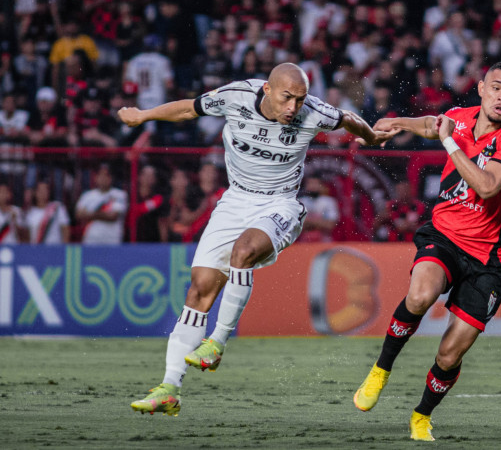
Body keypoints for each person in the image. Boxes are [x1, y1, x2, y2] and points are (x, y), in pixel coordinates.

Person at [120, 63, 392, 416]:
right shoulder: (235, 96)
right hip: (235, 201)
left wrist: (370, 137)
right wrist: (142, 115)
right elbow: (188, 108)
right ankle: (170, 387)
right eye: (286, 98)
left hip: (281, 204)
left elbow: (348, 119)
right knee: (200, 286)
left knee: (244, 251)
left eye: (300, 99)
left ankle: (216, 342)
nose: (293, 107)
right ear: (267, 89)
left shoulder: (313, 113)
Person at [353, 62, 501, 441]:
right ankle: (381, 369)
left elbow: (485, 186)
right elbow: (434, 124)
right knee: (420, 295)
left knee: (450, 355)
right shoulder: (458, 118)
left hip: (491, 260)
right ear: (481, 88)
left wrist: (449, 141)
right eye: (497, 87)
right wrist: (395, 122)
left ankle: (421, 416)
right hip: (446, 236)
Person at [75, 163, 128, 245]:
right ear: (95, 178)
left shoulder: (120, 194)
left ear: (111, 178)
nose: (103, 178)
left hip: (112, 241)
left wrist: (90, 214)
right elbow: (79, 215)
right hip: (91, 240)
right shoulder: (87, 195)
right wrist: (101, 214)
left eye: (106, 175)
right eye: (100, 175)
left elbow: (113, 216)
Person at [297, 176, 340, 243]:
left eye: (315, 184)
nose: (313, 187)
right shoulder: (300, 202)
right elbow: (298, 225)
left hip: (324, 243)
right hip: (304, 244)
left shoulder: (329, 202)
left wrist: (309, 222)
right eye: (310, 183)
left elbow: (331, 225)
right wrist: (320, 222)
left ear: (321, 186)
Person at [26, 179, 70, 244]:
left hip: (55, 249)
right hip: (37, 250)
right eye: (40, 191)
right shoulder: (30, 213)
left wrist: (64, 248)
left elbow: (65, 229)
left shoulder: (57, 207)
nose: (43, 193)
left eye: (46, 190)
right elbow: (28, 237)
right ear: (35, 193)